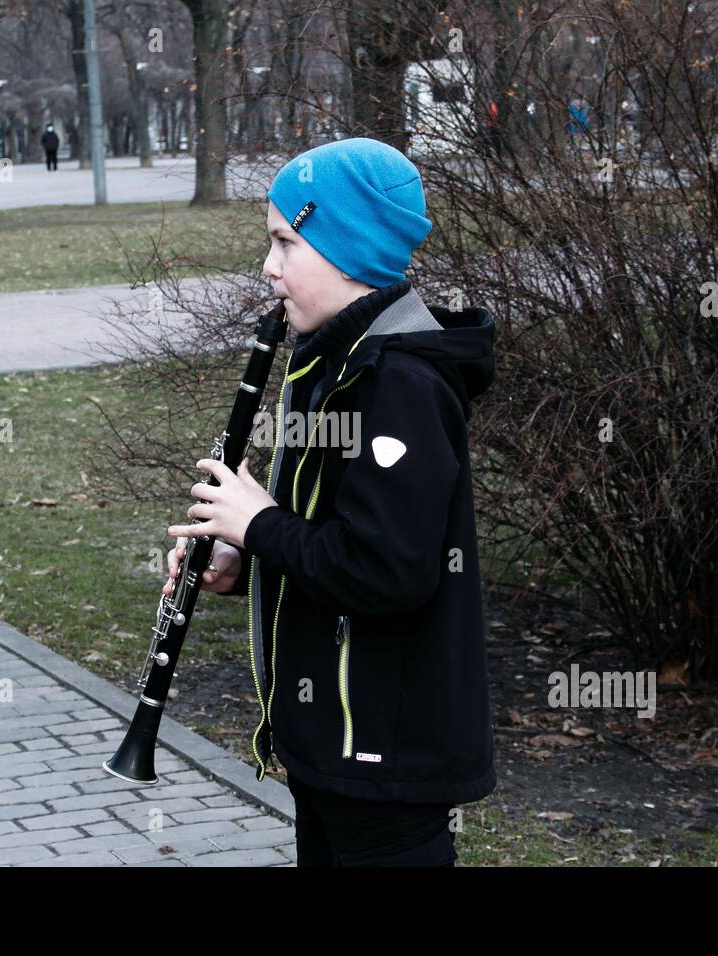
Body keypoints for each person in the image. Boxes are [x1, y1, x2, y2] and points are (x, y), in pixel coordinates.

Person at [163, 136, 497, 866]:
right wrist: (241, 551)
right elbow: (327, 536)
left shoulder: (398, 385)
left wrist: (261, 524)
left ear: (347, 247)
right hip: (334, 742)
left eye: (286, 241)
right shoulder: (333, 365)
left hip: (385, 754)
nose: (269, 266)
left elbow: (386, 571)